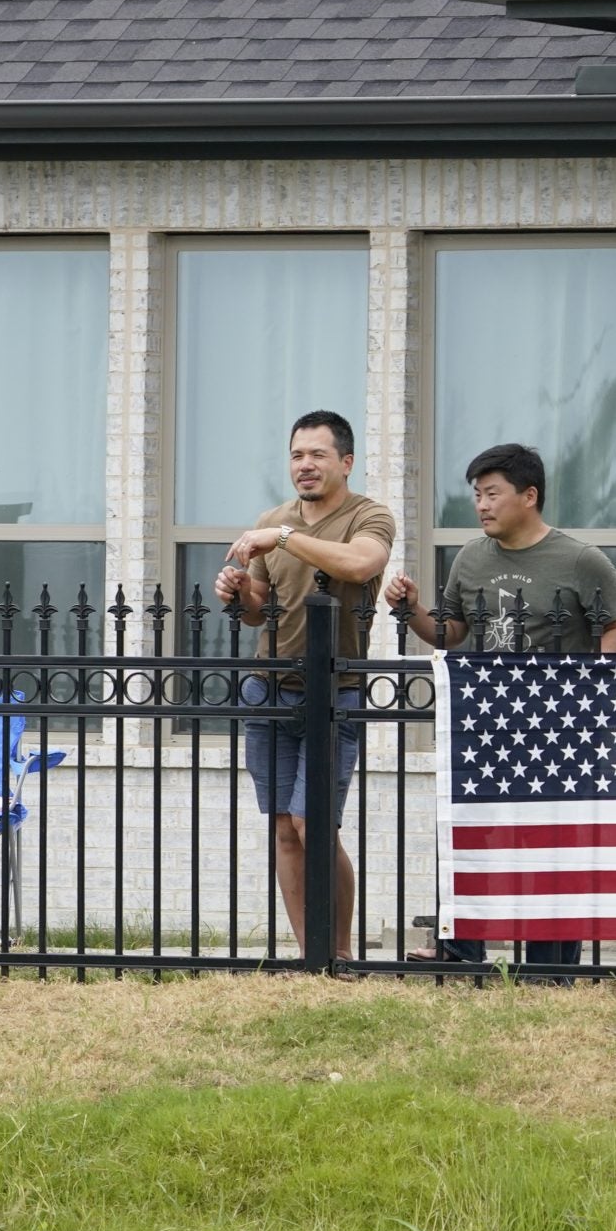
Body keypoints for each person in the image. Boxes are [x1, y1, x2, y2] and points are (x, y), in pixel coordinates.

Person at [385, 443, 616, 972]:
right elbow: (450, 633)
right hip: (484, 722)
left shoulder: (580, 560)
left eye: (492, 494)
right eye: (477, 495)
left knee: (552, 843)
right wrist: (411, 610)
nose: (481, 505)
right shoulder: (471, 558)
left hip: (558, 729)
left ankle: (550, 966)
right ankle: (460, 950)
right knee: (469, 834)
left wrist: (589, 692)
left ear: (529, 495)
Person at [213, 410, 393, 963]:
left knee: (312, 824)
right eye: (296, 455)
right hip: (269, 690)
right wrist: (238, 590)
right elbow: (258, 610)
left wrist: (286, 538)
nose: (305, 465)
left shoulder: (368, 516)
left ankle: (339, 953)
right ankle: (308, 955)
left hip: (334, 692)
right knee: (284, 830)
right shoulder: (273, 518)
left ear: (346, 462)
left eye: (318, 454)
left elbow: (361, 565)